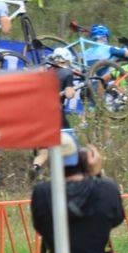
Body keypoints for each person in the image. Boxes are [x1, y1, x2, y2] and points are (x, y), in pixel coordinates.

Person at [31, 48, 84, 177]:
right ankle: (66, 173)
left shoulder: (45, 71)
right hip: (55, 113)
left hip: (38, 113)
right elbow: (70, 94)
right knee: (69, 142)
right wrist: (70, 91)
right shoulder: (67, 73)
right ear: (66, 60)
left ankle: (35, 166)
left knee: (43, 152)